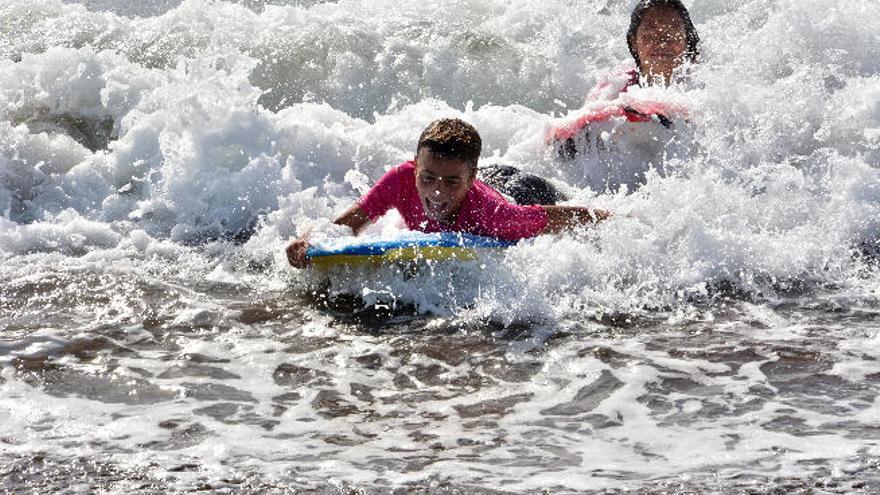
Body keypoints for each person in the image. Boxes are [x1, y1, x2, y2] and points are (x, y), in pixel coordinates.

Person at [286, 119, 609, 268]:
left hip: (518, 188)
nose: (437, 191)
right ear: (415, 169)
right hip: (477, 173)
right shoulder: (400, 180)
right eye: (428, 178)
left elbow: (557, 219)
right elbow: (349, 223)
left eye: (450, 182)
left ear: (468, 181)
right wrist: (310, 242)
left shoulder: (495, 216)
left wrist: (610, 219)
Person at [550, 0, 700, 159]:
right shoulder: (613, 88)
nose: (662, 41)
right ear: (634, 43)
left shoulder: (701, 84)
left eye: (672, 32)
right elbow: (568, 137)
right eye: (650, 32)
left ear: (687, 41)